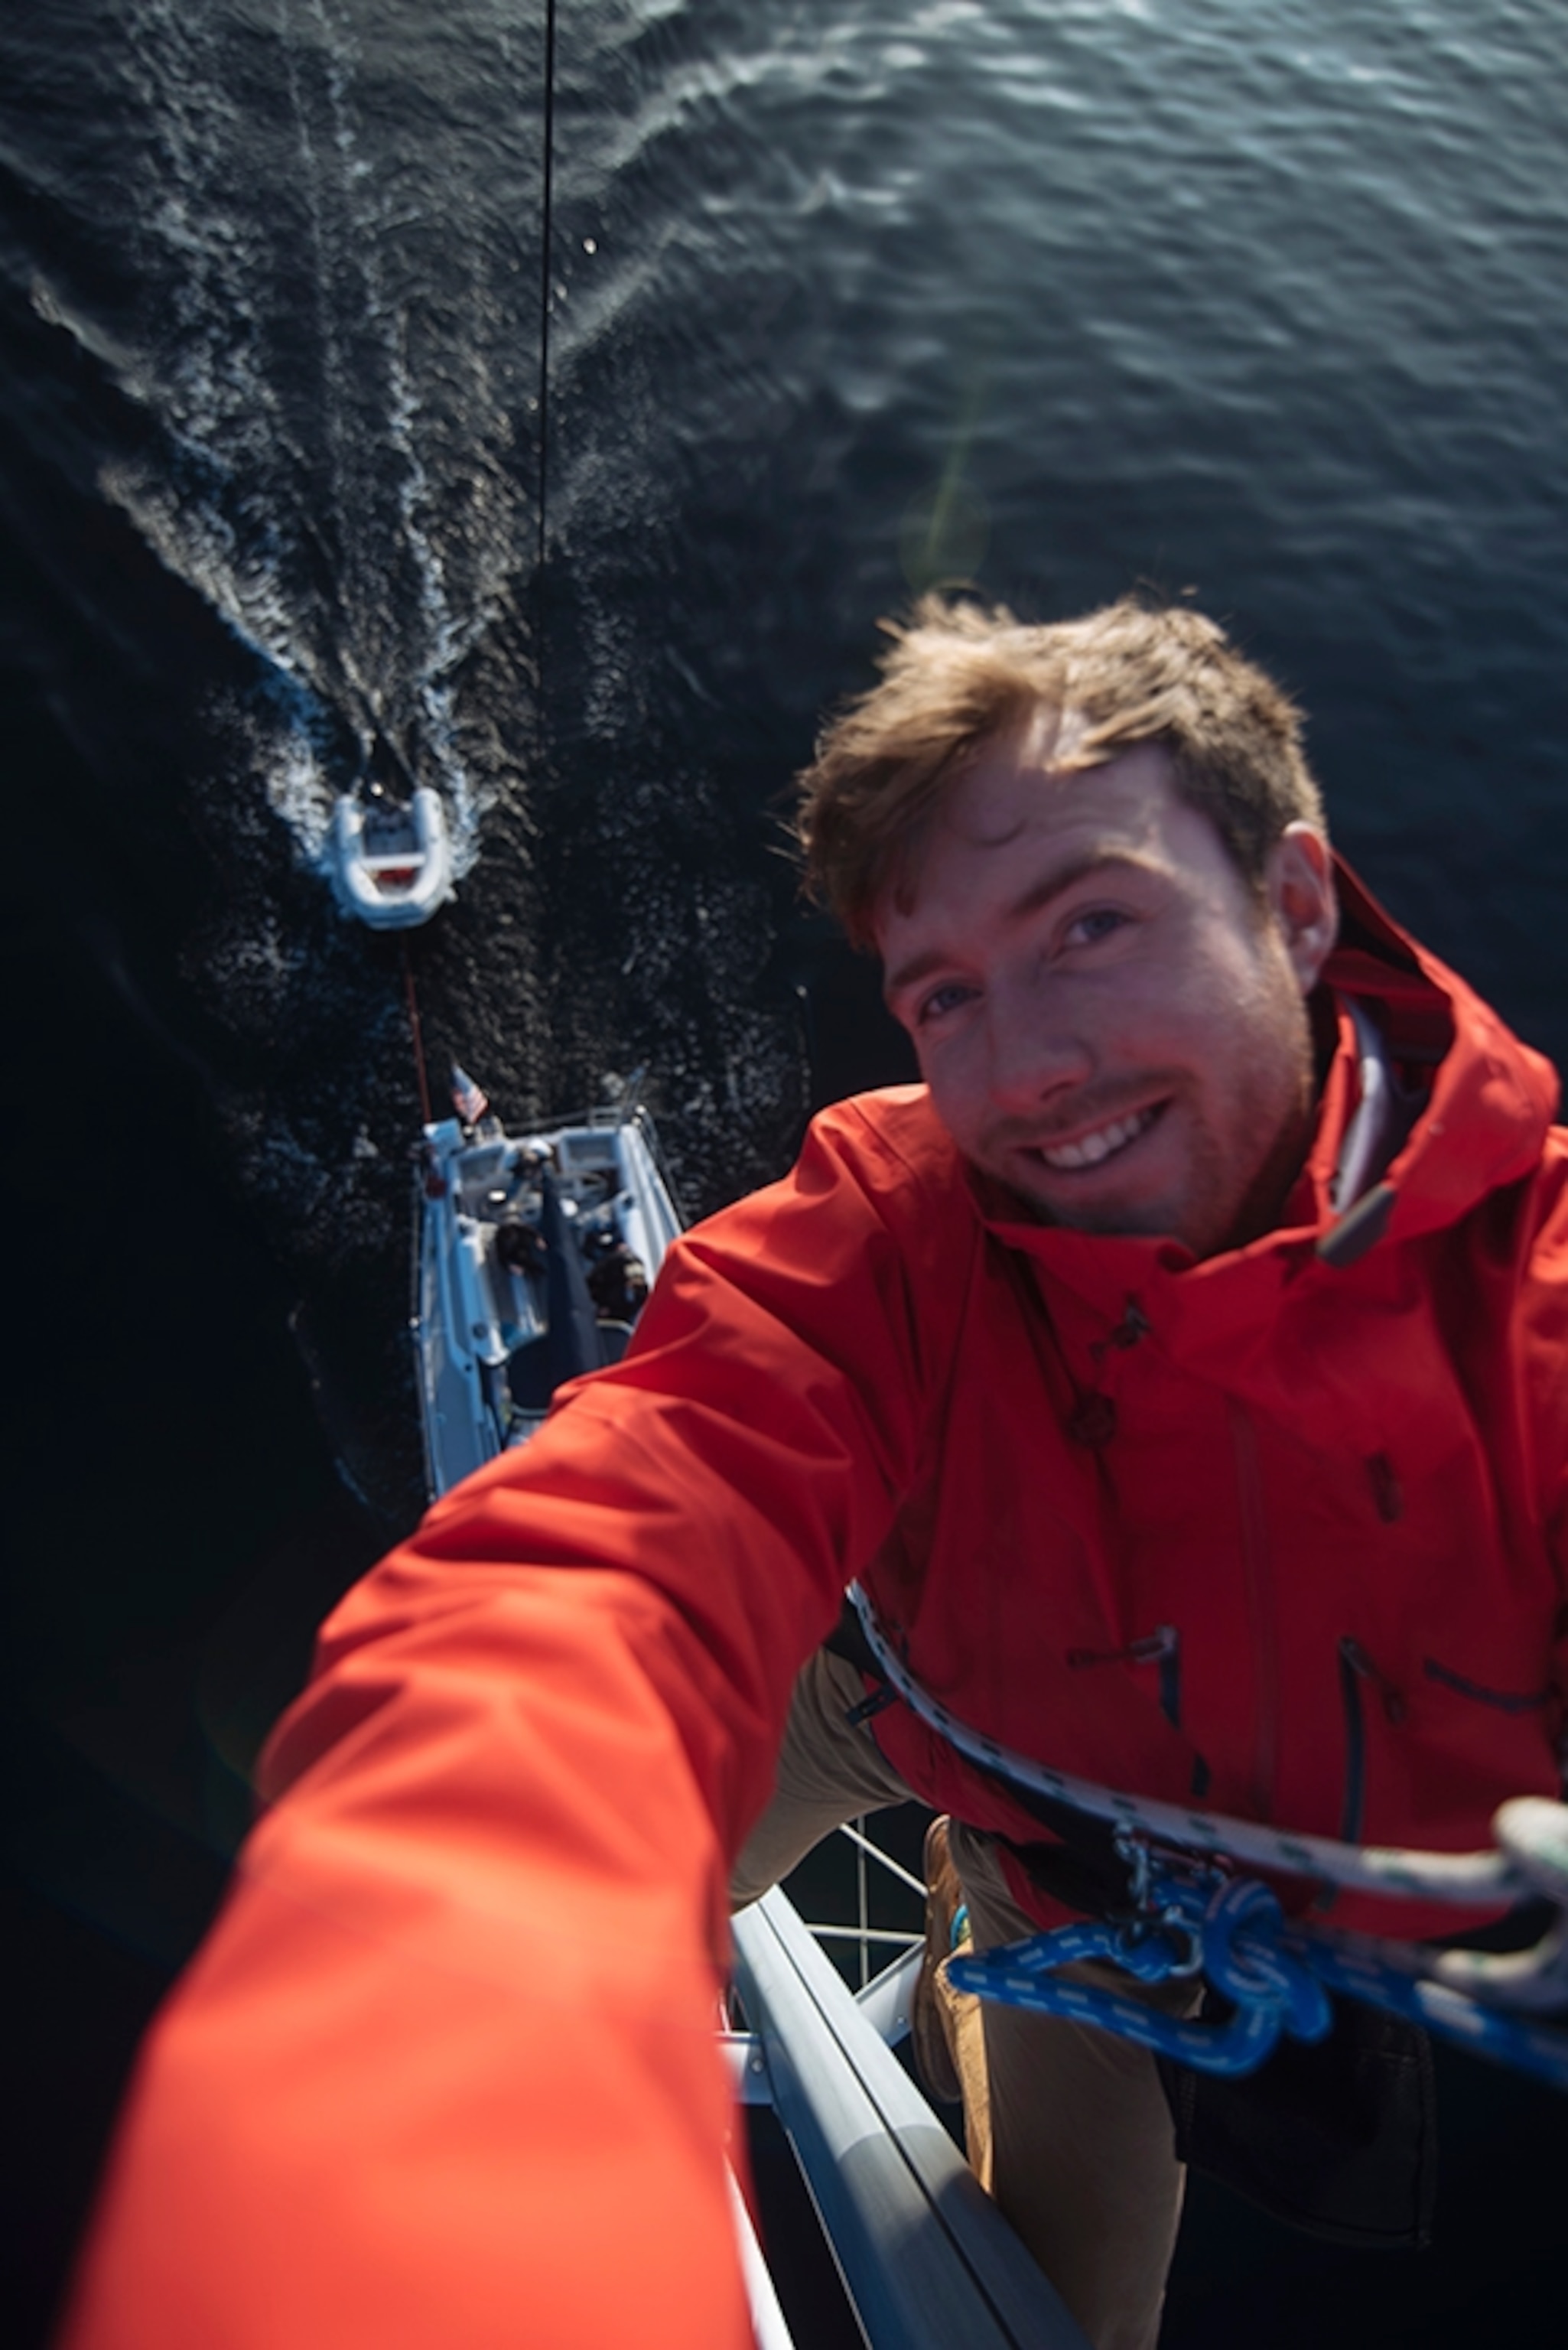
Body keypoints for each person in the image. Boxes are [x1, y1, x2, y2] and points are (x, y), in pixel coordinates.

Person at [62, 598, 1568, 2350]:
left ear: (1292, 904)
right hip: (868, 1690)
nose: (1026, 1068)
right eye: (943, 994)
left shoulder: (1525, 1318)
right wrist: (414, 2076)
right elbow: (605, 1568)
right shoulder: (895, 1229)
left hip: (1094, 1897)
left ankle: (967, 1908)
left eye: (1088, 925)